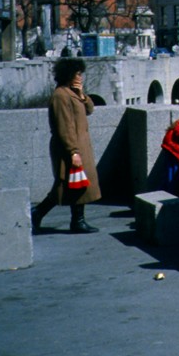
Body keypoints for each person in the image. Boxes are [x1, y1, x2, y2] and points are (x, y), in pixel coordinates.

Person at [32, 57, 102, 234]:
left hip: (79, 146)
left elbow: (90, 109)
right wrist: (73, 151)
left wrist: (81, 95)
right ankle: (38, 213)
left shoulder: (72, 93)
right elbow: (65, 126)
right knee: (64, 185)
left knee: (79, 183)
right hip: (70, 147)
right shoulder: (60, 96)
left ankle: (77, 220)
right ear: (69, 75)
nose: (80, 77)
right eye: (77, 74)